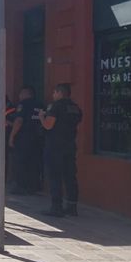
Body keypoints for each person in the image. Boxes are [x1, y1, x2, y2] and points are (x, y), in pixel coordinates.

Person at [38, 83, 82, 217]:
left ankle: (56, 207)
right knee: (70, 176)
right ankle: (72, 207)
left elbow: (48, 125)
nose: (53, 95)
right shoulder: (75, 108)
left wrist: (41, 117)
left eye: (54, 92)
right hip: (70, 145)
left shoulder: (55, 106)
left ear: (59, 92)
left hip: (55, 146)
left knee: (55, 176)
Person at [9, 86, 44, 194]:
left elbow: (19, 121)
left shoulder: (23, 104)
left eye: (21, 94)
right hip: (38, 138)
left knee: (20, 162)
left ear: (26, 93)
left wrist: (12, 136)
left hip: (23, 138)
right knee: (34, 163)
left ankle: (20, 187)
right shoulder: (41, 105)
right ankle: (34, 187)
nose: (19, 96)